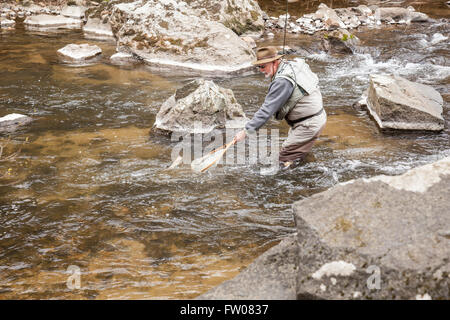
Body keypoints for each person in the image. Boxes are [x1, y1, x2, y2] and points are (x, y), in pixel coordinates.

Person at [234, 46, 326, 169]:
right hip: (314, 119)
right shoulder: (291, 64)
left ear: (275, 62)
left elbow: (267, 110)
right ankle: (309, 166)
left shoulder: (282, 81)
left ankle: (299, 182)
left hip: (308, 125)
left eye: (263, 66)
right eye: (258, 67)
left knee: (281, 162)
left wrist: (246, 131)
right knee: (296, 153)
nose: (261, 70)